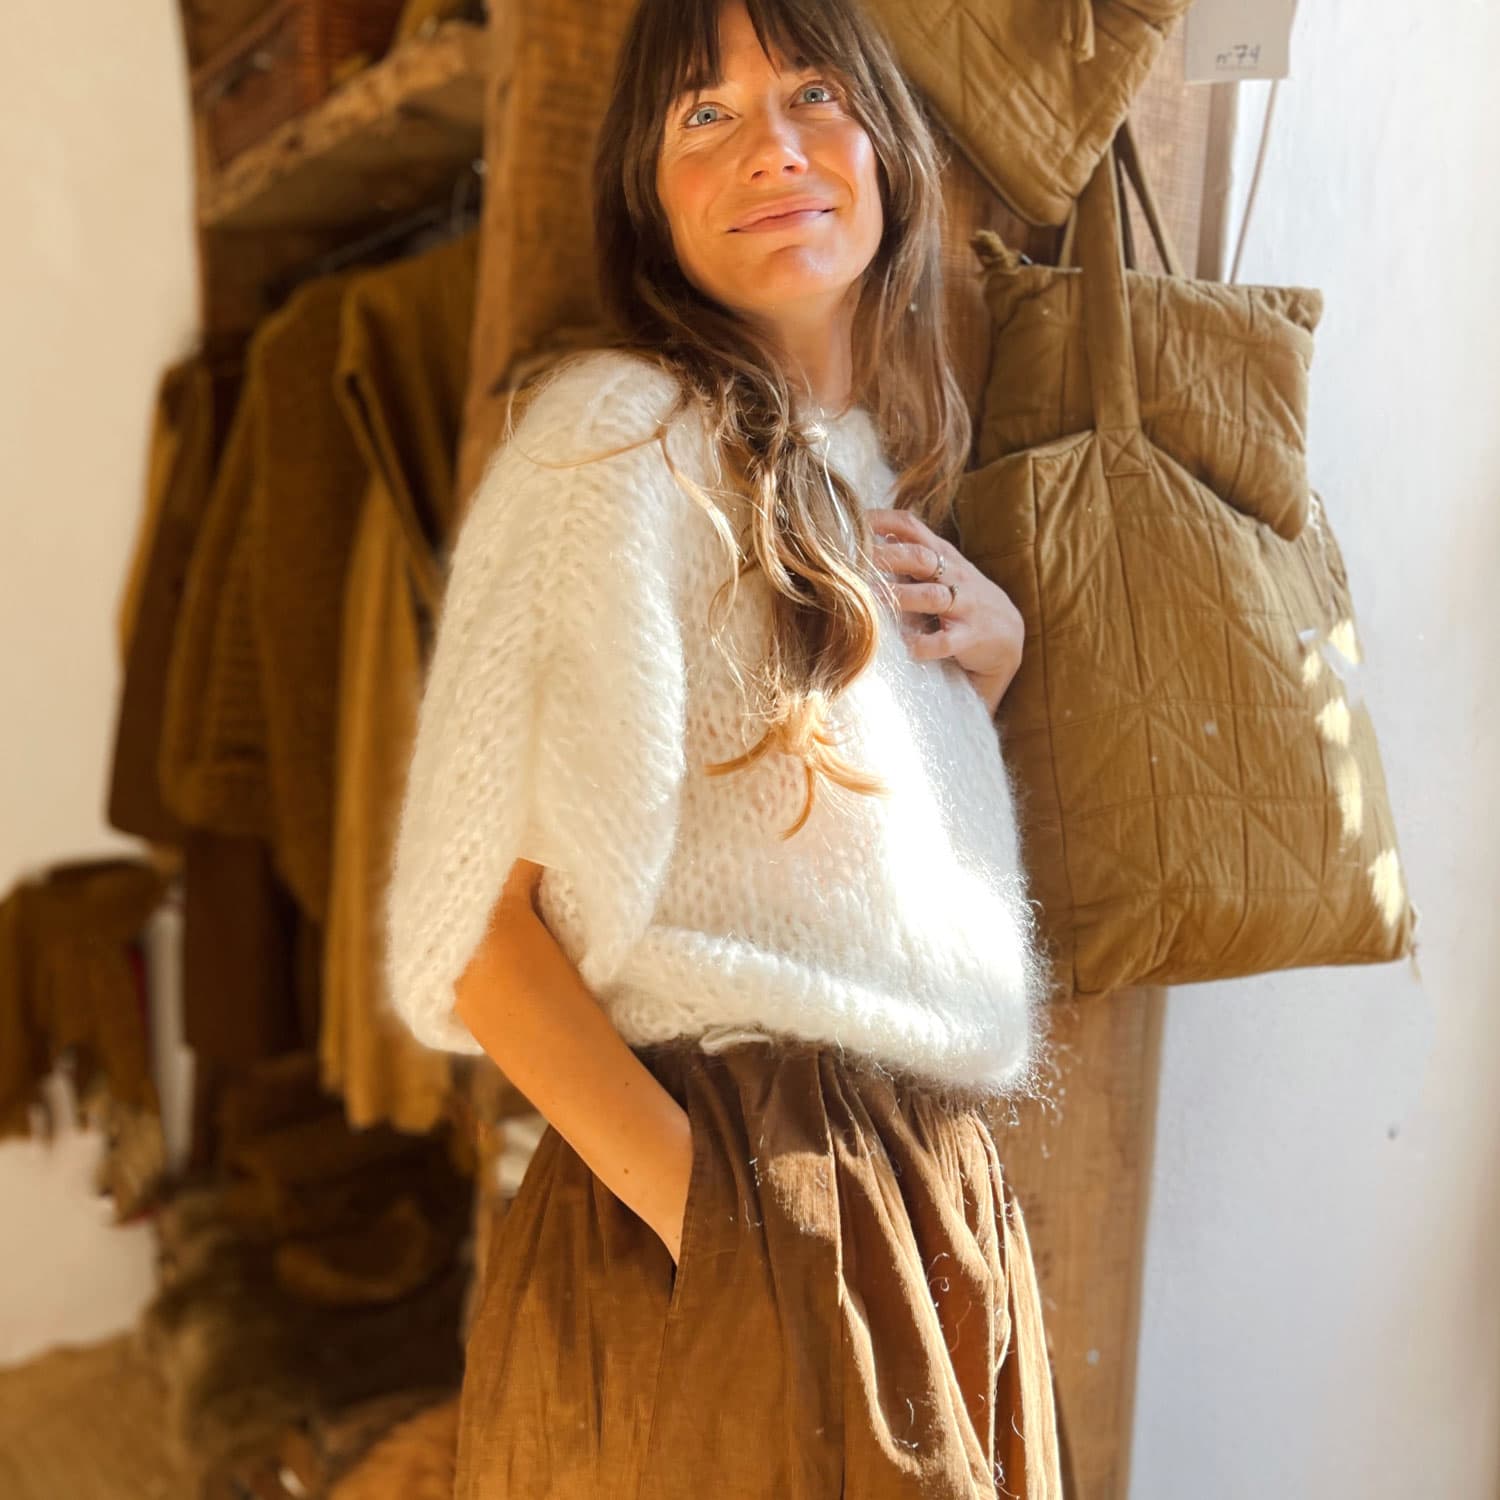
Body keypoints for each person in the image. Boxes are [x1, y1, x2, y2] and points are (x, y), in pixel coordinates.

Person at [381, 0, 1065, 1494]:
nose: (773, 146)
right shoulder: (616, 443)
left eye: (814, 91)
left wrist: (987, 673)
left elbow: (821, 878)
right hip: (744, 1200)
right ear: (648, 192)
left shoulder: (862, 480)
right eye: (706, 113)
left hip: (919, 1209)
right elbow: (480, 931)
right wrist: (733, 1232)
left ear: (887, 149)